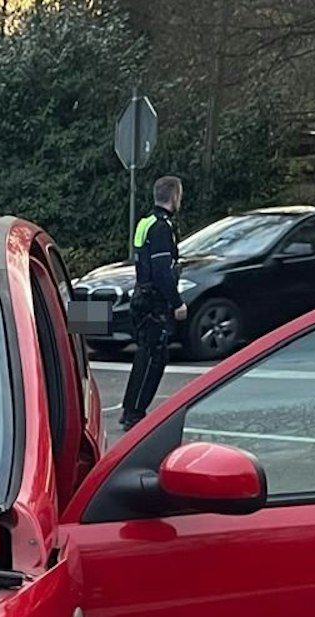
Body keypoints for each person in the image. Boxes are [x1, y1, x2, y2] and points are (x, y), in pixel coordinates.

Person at [119, 175, 188, 430]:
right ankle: (134, 413)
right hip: (153, 302)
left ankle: (132, 409)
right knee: (154, 357)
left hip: (142, 296)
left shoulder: (145, 223)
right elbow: (161, 271)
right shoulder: (162, 227)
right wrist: (177, 302)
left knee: (147, 355)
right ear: (174, 196)